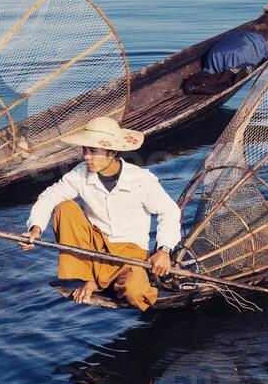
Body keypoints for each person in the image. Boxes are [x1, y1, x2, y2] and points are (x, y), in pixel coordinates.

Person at [22, 117, 181, 311]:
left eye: (93, 151)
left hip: (131, 254)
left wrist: (163, 251)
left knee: (135, 293)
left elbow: (169, 210)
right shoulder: (80, 174)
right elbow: (49, 196)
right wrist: (35, 229)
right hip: (96, 250)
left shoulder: (139, 179)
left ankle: (97, 281)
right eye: (85, 150)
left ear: (112, 152)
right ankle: (94, 278)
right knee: (65, 207)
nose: (86, 157)